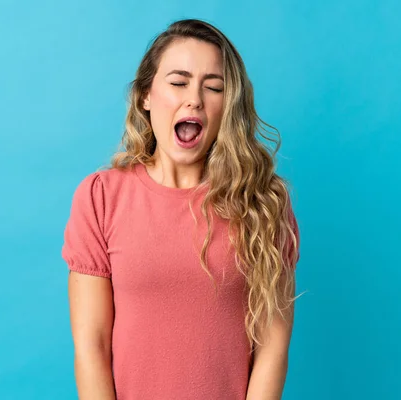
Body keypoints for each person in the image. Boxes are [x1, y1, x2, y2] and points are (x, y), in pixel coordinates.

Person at [61, 18, 300, 400]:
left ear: (228, 105)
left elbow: (272, 351)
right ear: (145, 96)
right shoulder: (101, 197)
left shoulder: (263, 202)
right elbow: (91, 348)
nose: (195, 99)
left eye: (214, 87)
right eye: (178, 82)